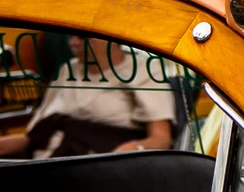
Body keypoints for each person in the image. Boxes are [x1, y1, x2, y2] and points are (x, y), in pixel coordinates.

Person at [0, 34, 175, 158]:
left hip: (94, 171)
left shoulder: (143, 71)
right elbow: (33, 138)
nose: (74, 44)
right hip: (44, 162)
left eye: (83, 38)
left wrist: (129, 150)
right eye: (70, 37)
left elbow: (161, 139)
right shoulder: (68, 70)